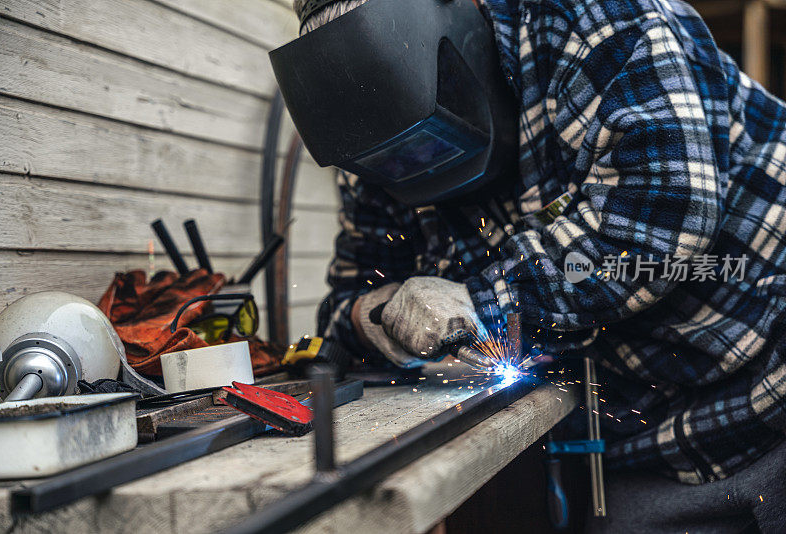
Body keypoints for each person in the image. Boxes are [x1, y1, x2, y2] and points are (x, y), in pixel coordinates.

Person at [286, 0, 786, 531]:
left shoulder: (596, 18)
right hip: (643, 445)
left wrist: (480, 301)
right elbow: (348, 296)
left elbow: (662, 220)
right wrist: (372, 315)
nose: (415, 167)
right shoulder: (371, 153)